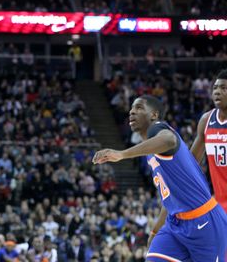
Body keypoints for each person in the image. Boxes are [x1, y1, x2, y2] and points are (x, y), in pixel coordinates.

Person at [93, 95, 227, 261]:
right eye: (132, 108)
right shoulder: (151, 152)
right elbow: (171, 196)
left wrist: (122, 154)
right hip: (175, 223)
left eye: (139, 107)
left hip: (205, 224)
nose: (132, 111)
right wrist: (155, 229)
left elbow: (168, 140)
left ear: (154, 115)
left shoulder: (158, 129)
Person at [189, 68, 227, 213]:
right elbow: (191, 162)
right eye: (215, 88)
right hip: (219, 204)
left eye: (224, 88)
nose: (217, 92)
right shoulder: (206, 120)